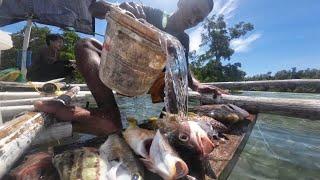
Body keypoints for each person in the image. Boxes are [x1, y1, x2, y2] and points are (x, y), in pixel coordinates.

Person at [34, 0, 227, 135]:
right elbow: (94, 8)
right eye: (194, 10)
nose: (194, 20)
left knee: (172, 77)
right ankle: (109, 112)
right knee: (85, 45)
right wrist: (117, 8)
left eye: (200, 19)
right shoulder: (152, 13)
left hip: (150, 95)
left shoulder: (183, 40)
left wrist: (198, 86)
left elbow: (184, 71)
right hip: (122, 77)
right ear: (181, 1)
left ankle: (166, 123)